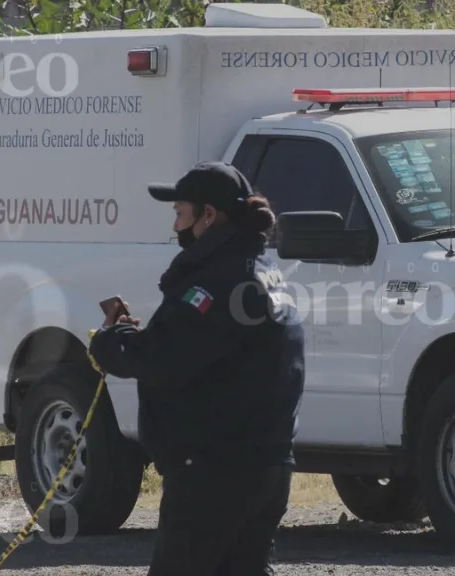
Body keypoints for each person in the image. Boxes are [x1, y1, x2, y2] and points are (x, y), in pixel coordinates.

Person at [88, 161, 305, 576]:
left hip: (214, 472)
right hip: (266, 466)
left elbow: (160, 358)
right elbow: (201, 353)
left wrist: (109, 342)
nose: (175, 226)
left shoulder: (216, 282)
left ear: (208, 215)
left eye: (179, 213)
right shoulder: (265, 274)